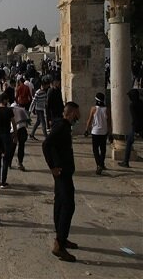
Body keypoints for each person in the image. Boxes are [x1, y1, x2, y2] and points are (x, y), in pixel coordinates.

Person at [42, 102, 81, 263]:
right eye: (77, 114)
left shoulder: (62, 126)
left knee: (59, 203)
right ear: (71, 113)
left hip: (63, 171)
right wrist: (52, 166)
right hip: (61, 172)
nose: (79, 117)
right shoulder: (61, 127)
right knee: (68, 205)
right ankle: (59, 244)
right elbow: (46, 144)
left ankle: (61, 237)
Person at [0, 93, 17, 188]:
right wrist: (15, 135)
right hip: (6, 135)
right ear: (4, 100)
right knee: (6, 157)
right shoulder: (9, 111)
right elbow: (14, 123)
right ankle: (3, 181)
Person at [84, 93, 113, 175]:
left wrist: (86, 129)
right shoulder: (107, 109)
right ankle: (102, 164)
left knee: (95, 149)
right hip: (104, 132)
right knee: (103, 149)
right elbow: (109, 123)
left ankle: (98, 165)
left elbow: (89, 120)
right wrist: (110, 133)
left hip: (95, 132)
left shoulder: (93, 109)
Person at [119, 89, 143, 168]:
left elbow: (135, 118)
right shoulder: (141, 103)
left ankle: (126, 162)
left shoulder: (132, 105)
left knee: (129, 143)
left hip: (136, 127)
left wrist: (136, 130)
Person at [10, 101, 29, 171]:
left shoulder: (11, 111)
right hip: (22, 130)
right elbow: (27, 122)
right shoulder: (22, 110)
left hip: (14, 130)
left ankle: (9, 162)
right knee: (21, 147)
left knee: (12, 147)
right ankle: (20, 163)